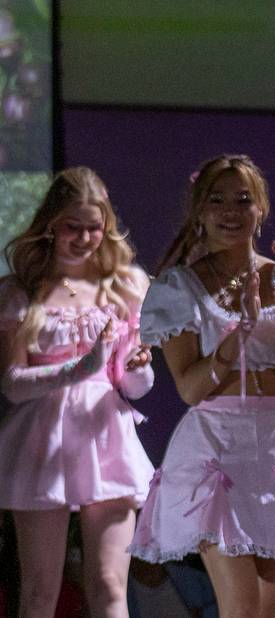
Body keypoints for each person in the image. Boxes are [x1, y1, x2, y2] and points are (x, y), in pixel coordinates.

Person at [129, 155, 275, 618]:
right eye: (217, 200)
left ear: (262, 209)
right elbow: (192, 390)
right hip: (216, 449)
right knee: (240, 607)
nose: (231, 211)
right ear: (199, 211)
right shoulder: (180, 288)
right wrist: (235, 341)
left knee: (263, 612)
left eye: (243, 200)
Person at [0, 167, 155, 617]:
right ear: (50, 224)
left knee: (109, 583)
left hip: (106, 436)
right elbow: (11, 382)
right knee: (39, 591)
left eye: (95, 226)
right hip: (41, 441)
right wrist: (79, 367)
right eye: (74, 226)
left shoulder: (125, 285)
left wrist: (135, 367)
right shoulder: (21, 291)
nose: (86, 238)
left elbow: (136, 387)